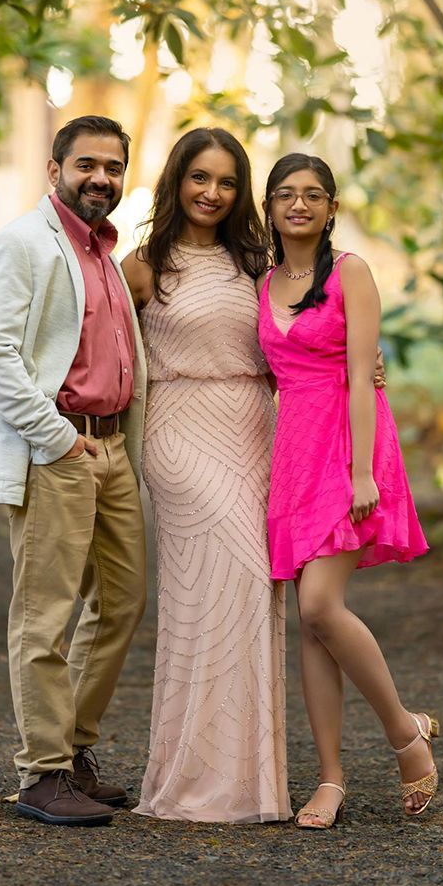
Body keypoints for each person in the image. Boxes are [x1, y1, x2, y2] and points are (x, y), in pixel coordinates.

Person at [0, 115, 147, 827]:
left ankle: (72, 750)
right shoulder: (20, 243)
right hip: (59, 449)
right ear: (55, 169)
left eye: (113, 166)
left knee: (123, 603)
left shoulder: (105, 253)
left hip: (112, 449)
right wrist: (56, 440)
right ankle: (42, 772)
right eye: (87, 164)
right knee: (45, 615)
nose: (101, 177)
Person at [258, 153, 433, 829]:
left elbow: (363, 375)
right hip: (294, 454)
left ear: (331, 208)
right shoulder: (264, 281)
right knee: (308, 623)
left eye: (313, 195)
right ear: (269, 208)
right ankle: (330, 778)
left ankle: (404, 737)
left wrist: (362, 471)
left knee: (321, 606)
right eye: (285, 195)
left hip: (348, 445)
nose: (298, 205)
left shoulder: (351, 272)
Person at [121, 128, 291, 823]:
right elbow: (96, 343)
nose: (211, 193)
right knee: (222, 582)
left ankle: (246, 783)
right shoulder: (142, 265)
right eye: (199, 178)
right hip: (179, 429)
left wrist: (359, 365)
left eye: (225, 181)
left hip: (252, 427)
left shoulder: (258, 264)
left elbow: (302, 336)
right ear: (176, 181)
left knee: (256, 592)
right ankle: (192, 779)